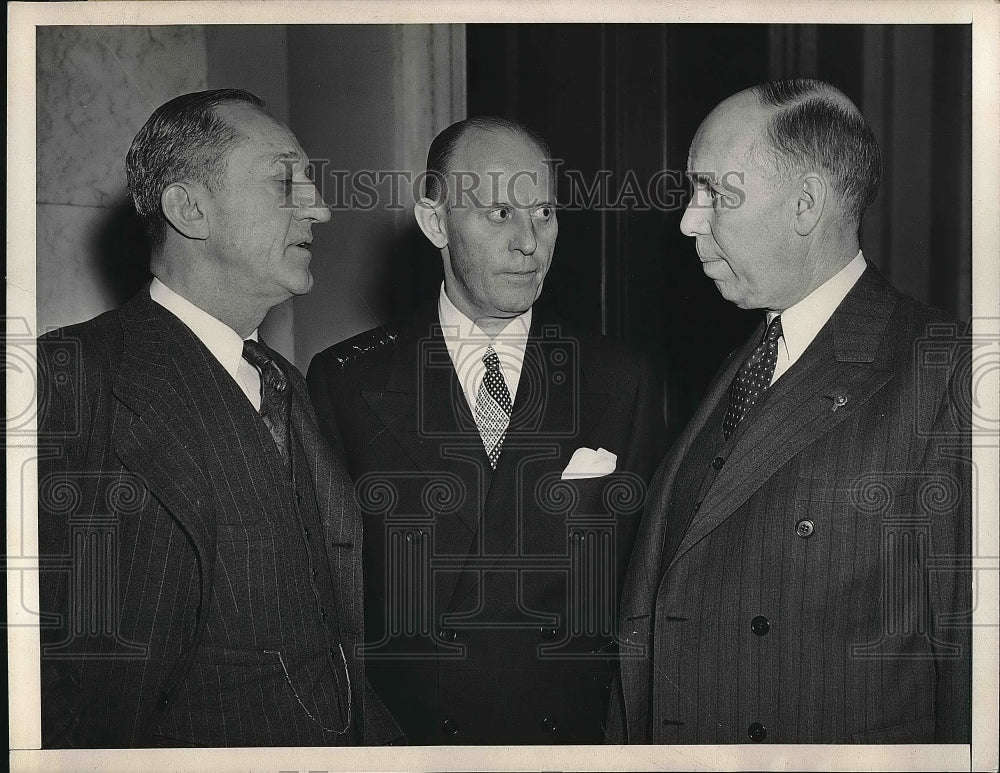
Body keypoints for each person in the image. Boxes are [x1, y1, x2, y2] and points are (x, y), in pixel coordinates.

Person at [608, 79, 971, 744]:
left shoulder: (944, 370)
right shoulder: (739, 364)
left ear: (805, 204)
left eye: (716, 191)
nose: (690, 219)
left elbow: (973, 676)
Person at [36, 89, 400, 747]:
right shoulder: (68, 376)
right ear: (190, 208)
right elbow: (52, 687)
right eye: (285, 181)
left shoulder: (282, 378)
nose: (319, 207)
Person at [307, 116, 667, 744]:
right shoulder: (347, 382)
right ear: (436, 222)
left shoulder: (620, 378)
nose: (531, 243)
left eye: (546, 212)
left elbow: (638, 597)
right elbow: (332, 604)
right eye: (500, 213)